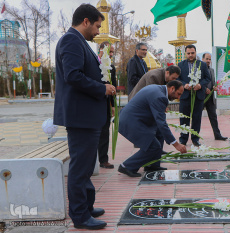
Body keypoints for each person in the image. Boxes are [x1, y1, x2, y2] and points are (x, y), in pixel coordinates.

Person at [54, 4, 116, 230]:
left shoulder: (79, 42)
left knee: (88, 165)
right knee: (80, 168)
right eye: (98, 26)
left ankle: (87, 206)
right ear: (86, 21)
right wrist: (103, 89)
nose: (98, 31)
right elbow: (73, 76)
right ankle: (80, 216)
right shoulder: (71, 40)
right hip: (80, 116)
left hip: (87, 115)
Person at [118, 80, 187, 177]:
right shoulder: (160, 96)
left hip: (135, 119)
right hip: (131, 122)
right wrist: (176, 144)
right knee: (153, 146)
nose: (178, 98)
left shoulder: (158, 89)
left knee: (160, 134)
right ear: (172, 89)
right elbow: (162, 123)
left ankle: (152, 165)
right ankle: (127, 166)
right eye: (178, 94)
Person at [177, 44, 210, 147]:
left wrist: (200, 85)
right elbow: (177, 78)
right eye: (188, 53)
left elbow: (207, 78)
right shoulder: (180, 65)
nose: (190, 55)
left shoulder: (202, 65)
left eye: (192, 53)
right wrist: (184, 85)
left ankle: (195, 139)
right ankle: (183, 139)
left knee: (196, 118)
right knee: (184, 118)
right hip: (185, 96)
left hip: (198, 96)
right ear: (185, 54)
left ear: (196, 53)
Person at [97, 41, 117, 169]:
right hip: (94, 102)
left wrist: (113, 104)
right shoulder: (94, 63)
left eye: (112, 52)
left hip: (106, 103)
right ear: (101, 50)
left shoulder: (112, 67)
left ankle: (103, 159)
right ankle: (93, 158)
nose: (110, 55)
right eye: (109, 52)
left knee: (105, 131)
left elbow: (113, 86)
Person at [202, 53, 227, 141]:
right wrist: (204, 89)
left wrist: (214, 87)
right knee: (196, 118)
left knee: (213, 117)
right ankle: (194, 137)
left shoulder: (212, 70)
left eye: (209, 59)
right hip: (201, 98)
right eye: (207, 59)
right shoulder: (199, 69)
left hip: (211, 98)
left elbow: (213, 82)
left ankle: (217, 135)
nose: (208, 61)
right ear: (203, 59)